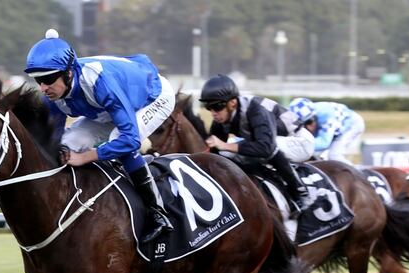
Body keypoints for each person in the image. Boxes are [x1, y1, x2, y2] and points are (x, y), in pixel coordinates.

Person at [24, 29, 175, 243]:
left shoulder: (99, 82)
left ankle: (158, 214)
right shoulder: (52, 94)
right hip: (106, 109)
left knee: (118, 138)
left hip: (152, 96)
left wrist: (86, 156)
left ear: (68, 72)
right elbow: (53, 144)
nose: (43, 87)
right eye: (37, 80)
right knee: (69, 145)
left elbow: (130, 139)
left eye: (48, 79)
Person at [199, 74, 312, 213]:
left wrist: (225, 145)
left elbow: (266, 148)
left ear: (232, 103)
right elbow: (214, 152)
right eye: (208, 107)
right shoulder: (222, 117)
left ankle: (301, 192)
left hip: (300, 141)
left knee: (268, 146)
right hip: (271, 142)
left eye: (216, 106)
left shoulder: (256, 109)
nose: (213, 113)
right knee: (228, 153)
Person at [287, 98, 364, 166]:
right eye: (304, 124)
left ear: (314, 115)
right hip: (334, 128)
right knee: (318, 156)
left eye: (310, 121)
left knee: (334, 155)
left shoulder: (326, 115)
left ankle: (359, 176)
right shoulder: (295, 118)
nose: (310, 126)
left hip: (352, 125)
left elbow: (324, 143)